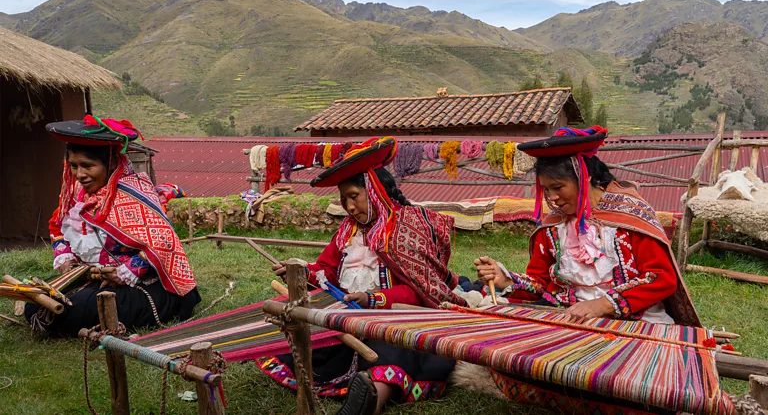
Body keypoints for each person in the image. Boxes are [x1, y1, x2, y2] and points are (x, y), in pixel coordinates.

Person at [473, 126, 701, 412]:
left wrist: (604, 305)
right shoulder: (553, 227)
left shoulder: (630, 216)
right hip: (569, 320)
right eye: (546, 189)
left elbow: (662, 278)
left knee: (633, 377)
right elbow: (540, 283)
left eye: (559, 187)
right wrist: (506, 278)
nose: (552, 198)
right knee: (509, 352)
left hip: (635, 323)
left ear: (585, 177)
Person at [260, 137, 467, 415]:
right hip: (350, 319)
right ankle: (362, 386)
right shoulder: (348, 232)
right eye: (343, 199)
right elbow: (327, 271)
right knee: (300, 335)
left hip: (399, 320)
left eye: (354, 196)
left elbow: (420, 290)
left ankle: (371, 398)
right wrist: (303, 274)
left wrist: (374, 299)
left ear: (375, 190)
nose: (349, 206)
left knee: (393, 350)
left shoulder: (407, 228)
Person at [25, 115, 200, 336]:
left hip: (145, 285)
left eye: (88, 166)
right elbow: (57, 227)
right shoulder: (79, 195)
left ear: (112, 163)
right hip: (94, 277)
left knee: (73, 309)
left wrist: (127, 271)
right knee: (36, 299)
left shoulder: (132, 195)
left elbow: (165, 243)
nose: (80, 175)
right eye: (74, 166)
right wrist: (65, 255)